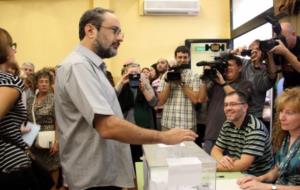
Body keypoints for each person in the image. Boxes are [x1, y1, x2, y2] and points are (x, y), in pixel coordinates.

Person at [55, 7, 197, 190]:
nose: (121, 38)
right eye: (115, 31)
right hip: (93, 180)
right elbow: (107, 126)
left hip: (103, 175)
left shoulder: (94, 68)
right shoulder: (78, 67)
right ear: (90, 30)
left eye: (121, 32)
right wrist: (164, 137)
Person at [0, 28, 40, 189]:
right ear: (6, 51)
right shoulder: (9, 81)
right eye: (11, 45)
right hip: (9, 165)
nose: (14, 50)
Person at [238, 87, 300, 189]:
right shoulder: (285, 138)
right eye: (281, 111)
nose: (281, 117)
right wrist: (259, 179)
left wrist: (270, 187)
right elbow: (278, 170)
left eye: (289, 113)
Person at [199, 54, 253, 154]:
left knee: (231, 168)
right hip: (211, 135)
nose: (227, 68)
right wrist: (204, 79)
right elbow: (201, 99)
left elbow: (237, 98)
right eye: (225, 66)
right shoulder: (215, 84)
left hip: (233, 138)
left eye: (230, 65)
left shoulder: (245, 84)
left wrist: (223, 83)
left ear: (240, 67)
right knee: (210, 169)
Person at [211, 91, 273, 176]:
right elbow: (216, 150)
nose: (228, 108)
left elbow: (243, 165)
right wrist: (221, 159)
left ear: (244, 107)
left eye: (233, 104)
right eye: (226, 105)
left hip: (257, 177)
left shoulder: (255, 128)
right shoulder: (227, 124)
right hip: (237, 171)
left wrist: (214, 168)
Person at [27, 69, 60, 189]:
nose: (44, 84)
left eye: (46, 81)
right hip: (34, 142)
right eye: (41, 81)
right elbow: (28, 121)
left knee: (53, 170)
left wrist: (57, 141)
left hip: (50, 141)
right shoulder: (30, 100)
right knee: (37, 175)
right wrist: (26, 143)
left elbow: (59, 122)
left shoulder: (55, 99)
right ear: (36, 84)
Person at [157, 46, 200, 132]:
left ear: (189, 58)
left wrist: (181, 83)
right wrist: (169, 83)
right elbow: (161, 101)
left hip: (188, 124)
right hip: (168, 123)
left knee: (190, 146)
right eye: (180, 57)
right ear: (175, 58)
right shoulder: (166, 75)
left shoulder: (195, 75)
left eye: (185, 57)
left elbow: (195, 99)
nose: (182, 60)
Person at [270, 22, 300, 89]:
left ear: (293, 34)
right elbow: (273, 73)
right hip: (288, 90)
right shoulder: (278, 46)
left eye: (283, 38)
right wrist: (269, 55)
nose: (281, 42)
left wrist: (285, 52)